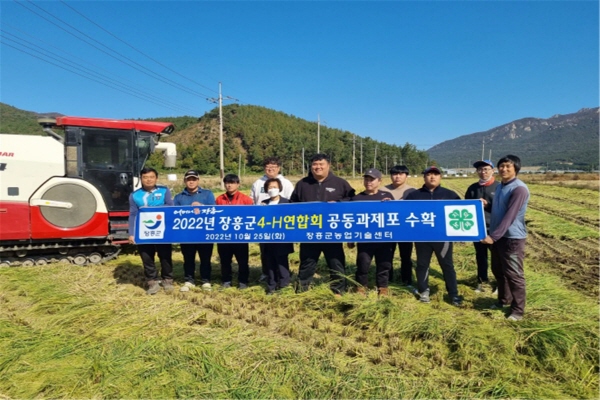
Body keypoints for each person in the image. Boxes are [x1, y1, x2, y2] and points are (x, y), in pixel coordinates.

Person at [290, 153, 355, 295]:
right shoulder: (303, 184)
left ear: (328, 165)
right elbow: (292, 205)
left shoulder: (339, 183)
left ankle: (338, 290)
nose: (317, 167)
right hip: (309, 231)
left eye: (321, 164)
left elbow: (352, 200)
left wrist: (338, 203)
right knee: (307, 262)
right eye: (314, 164)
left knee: (336, 262)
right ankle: (302, 289)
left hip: (332, 231)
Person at [481, 155, 530, 321]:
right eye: (501, 166)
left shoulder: (519, 189)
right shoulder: (502, 186)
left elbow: (510, 216)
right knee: (499, 271)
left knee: (514, 275)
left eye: (508, 166)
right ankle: (503, 300)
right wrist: (487, 205)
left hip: (512, 239)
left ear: (516, 168)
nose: (504, 169)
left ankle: (517, 310)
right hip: (499, 237)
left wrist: (493, 237)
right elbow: (500, 208)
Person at [405, 166, 462, 306]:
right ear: (424, 177)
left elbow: (462, 211)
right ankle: (424, 291)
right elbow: (403, 213)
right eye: (429, 174)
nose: (432, 177)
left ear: (440, 177)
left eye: (435, 174)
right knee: (422, 265)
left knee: (447, 265)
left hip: (443, 238)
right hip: (422, 238)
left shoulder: (450, 195)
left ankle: (453, 294)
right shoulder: (414, 196)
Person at [348, 168, 395, 297]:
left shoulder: (386, 197)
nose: (368, 182)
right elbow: (351, 220)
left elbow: (395, 216)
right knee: (363, 264)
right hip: (365, 238)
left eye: (372, 179)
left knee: (384, 264)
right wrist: (350, 238)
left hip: (383, 238)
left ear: (379, 181)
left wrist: (391, 205)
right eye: (366, 179)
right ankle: (361, 286)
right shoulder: (356, 199)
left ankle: (383, 287)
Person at [128, 167, 174, 295]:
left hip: (163, 230)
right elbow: (133, 214)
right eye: (145, 177)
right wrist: (131, 233)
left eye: (151, 177)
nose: (148, 180)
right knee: (147, 257)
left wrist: (152, 209)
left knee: (165, 256)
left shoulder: (164, 191)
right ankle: (152, 282)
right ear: (141, 179)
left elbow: (170, 206)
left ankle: (167, 279)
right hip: (143, 231)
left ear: (156, 178)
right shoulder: (134, 195)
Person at [250, 156, 294, 282]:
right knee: (265, 250)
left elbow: (291, 201)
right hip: (263, 222)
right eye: (267, 167)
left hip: (281, 223)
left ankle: (283, 276)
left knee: (281, 252)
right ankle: (266, 273)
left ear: (278, 168)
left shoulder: (286, 183)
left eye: (273, 167)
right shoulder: (258, 183)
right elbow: (252, 200)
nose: (270, 169)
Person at [173, 169, 216, 292]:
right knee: (188, 258)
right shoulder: (179, 197)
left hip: (204, 233)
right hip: (186, 234)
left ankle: (206, 280)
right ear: (185, 181)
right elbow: (174, 213)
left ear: (198, 180)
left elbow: (214, 210)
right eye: (188, 179)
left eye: (194, 179)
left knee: (205, 258)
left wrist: (202, 207)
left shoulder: (207, 194)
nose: (191, 182)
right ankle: (189, 280)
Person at [464, 160, 500, 293]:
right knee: (480, 256)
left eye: (486, 169)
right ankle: (482, 281)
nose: (483, 172)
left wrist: (488, 206)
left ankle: (499, 283)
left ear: (492, 170)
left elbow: (505, 209)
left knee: (497, 257)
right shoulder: (472, 188)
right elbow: (465, 208)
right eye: (480, 170)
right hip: (477, 228)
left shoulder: (499, 187)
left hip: (494, 228)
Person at [380, 165, 417, 287]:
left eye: (401, 174)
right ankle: (387, 280)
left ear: (406, 176)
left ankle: (406, 280)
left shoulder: (413, 191)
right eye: (395, 174)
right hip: (388, 228)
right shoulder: (382, 190)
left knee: (406, 256)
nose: (397, 176)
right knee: (386, 256)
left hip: (405, 229)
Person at [215, 174, 254, 289]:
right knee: (225, 260)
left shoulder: (246, 199)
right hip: (224, 236)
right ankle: (226, 281)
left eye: (232, 183)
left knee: (242, 261)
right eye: (227, 183)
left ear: (238, 184)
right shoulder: (219, 199)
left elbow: (252, 215)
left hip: (240, 236)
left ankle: (243, 281)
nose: (229, 185)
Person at [260, 178, 294, 294]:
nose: (272, 189)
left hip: (282, 239)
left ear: (279, 188)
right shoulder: (264, 203)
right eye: (270, 187)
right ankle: (271, 286)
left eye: (275, 187)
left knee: (282, 263)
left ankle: (284, 286)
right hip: (267, 239)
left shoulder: (287, 203)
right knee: (269, 264)